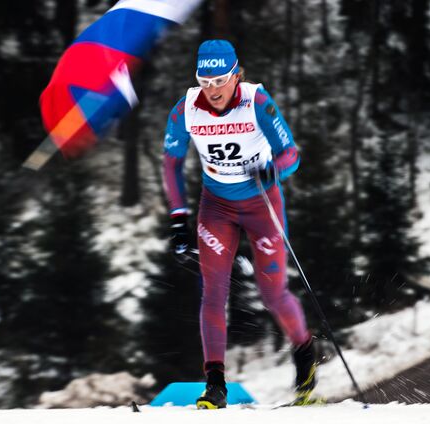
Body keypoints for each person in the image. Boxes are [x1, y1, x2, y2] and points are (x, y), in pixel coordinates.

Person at [162, 39, 318, 409]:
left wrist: (272, 170)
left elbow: (291, 154)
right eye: (205, 80)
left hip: (262, 206)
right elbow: (171, 163)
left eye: (220, 80)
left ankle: (306, 361)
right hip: (216, 207)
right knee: (213, 292)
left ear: (236, 74)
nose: (213, 90)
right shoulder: (185, 109)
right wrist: (178, 218)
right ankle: (215, 384)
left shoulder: (257, 102)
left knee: (272, 294)